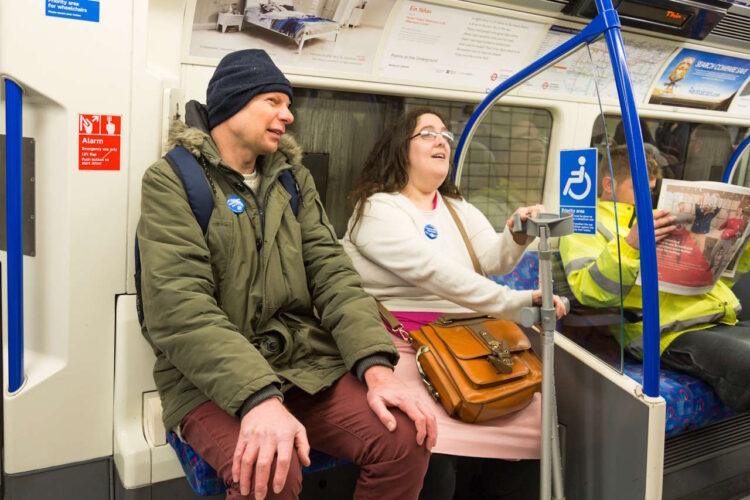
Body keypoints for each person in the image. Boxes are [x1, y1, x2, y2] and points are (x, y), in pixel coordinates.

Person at [137, 49, 436, 500]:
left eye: (289, 104)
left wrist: (376, 367)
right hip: (206, 380)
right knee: (270, 472)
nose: (288, 115)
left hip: (301, 364)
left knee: (404, 437)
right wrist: (258, 397)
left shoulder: (293, 181)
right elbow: (179, 309)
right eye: (274, 101)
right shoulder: (173, 182)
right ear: (234, 103)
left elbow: (334, 277)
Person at [343, 108, 567, 500]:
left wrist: (515, 234)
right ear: (400, 148)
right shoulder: (377, 209)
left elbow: (491, 260)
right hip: (408, 343)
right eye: (427, 133)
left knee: (534, 438)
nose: (440, 141)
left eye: (445, 135)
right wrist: (511, 303)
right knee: (431, 447)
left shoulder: (458, 209)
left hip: (470, 339)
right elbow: (434, 273)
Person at [559, 147, 750, 412]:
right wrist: (631, 245)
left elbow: (716, 282)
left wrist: (740, 245)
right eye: (639, 188)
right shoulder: (584, 224)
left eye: (650, 190)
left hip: (715, 315)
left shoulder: (659, 218)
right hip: (663, 332)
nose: (646, 197)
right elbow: (590, 291)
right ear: (608, 185)